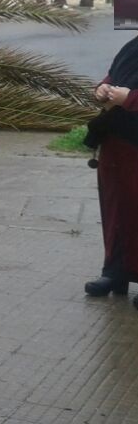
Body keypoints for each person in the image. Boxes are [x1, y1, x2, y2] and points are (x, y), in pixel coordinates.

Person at [83, 33, 138, 302]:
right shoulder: (132, 46)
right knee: (116, 208)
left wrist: (129, 98)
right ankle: (115, 272)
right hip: (117, 143)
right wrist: (103, 90)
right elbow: (112, 75)